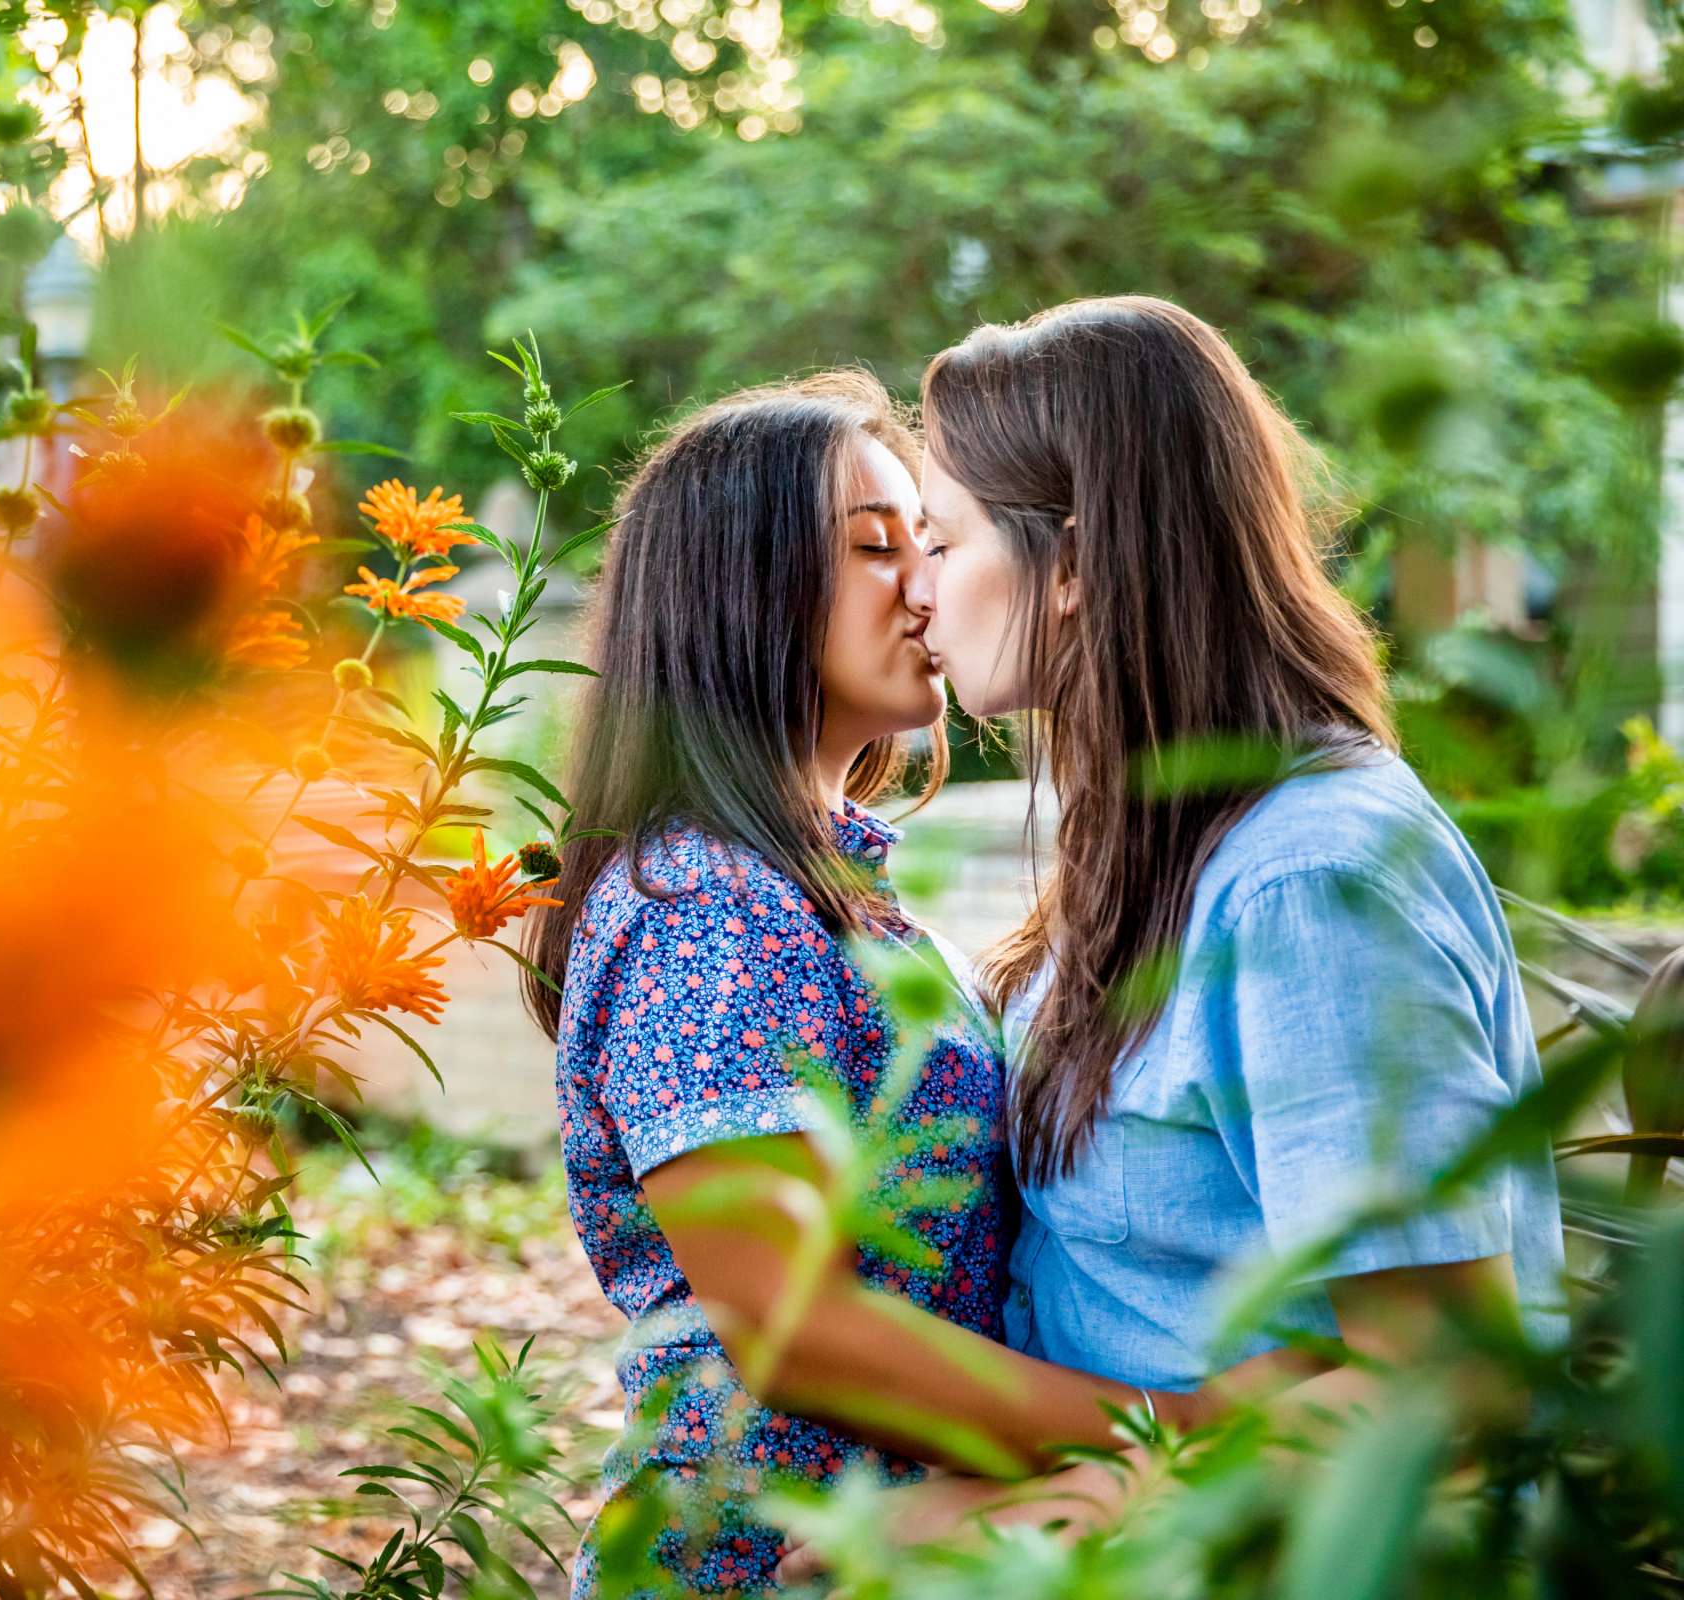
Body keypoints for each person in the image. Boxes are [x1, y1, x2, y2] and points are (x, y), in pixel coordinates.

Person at [523, 371, 1244, 1597]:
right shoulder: (704, 907)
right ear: (739, 588)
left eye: (932, 540)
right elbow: (800, 1326)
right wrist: (1171, 1433)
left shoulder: (818, 886)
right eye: (876, 547)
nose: (931, 586)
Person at [898, 294, 1566, 1523]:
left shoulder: (1309, 884)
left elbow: (1445, 1399)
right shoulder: (1170, 834)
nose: (917, 593)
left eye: (941, 541)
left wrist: (1047, 1506)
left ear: (1078, 563)